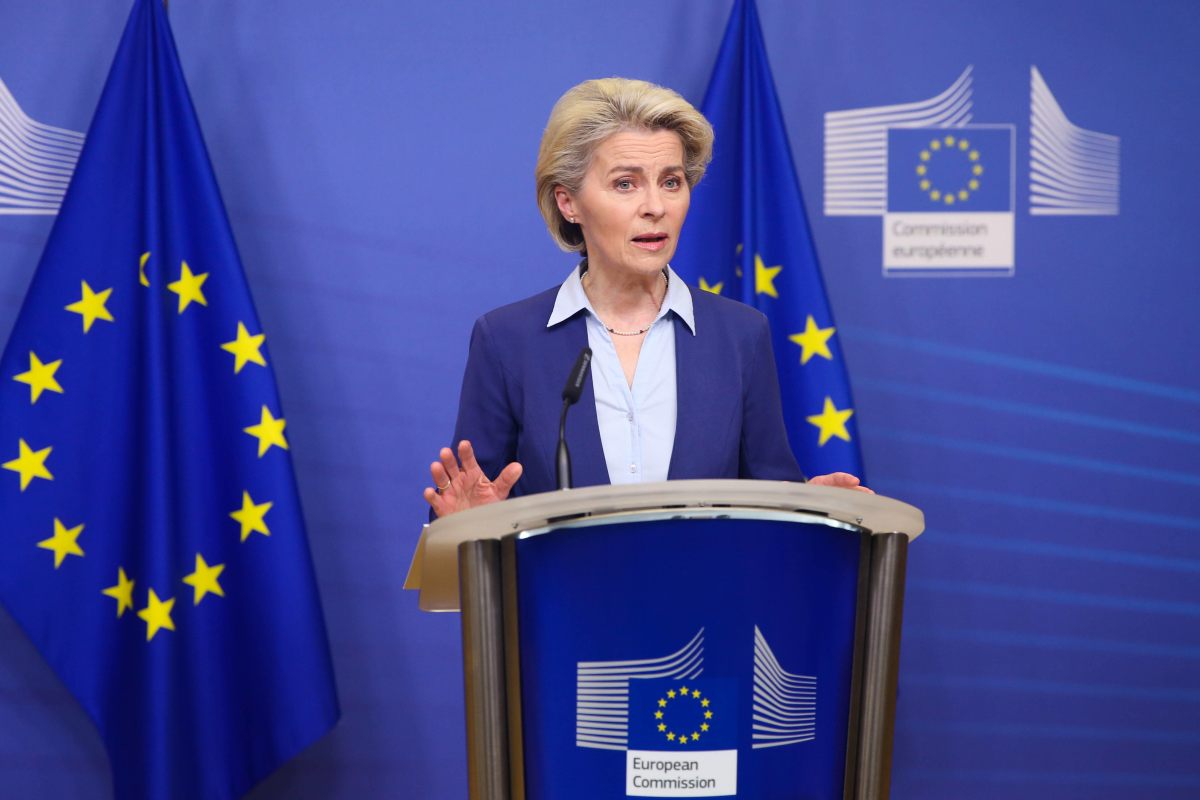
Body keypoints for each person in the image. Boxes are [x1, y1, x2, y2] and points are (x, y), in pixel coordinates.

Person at [424, 78, 868, 518]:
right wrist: (463, 523)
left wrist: (805, 506)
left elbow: (766, 495)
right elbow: (469, 500)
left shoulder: (741, 335)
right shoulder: (507, 341)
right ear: (568, 203)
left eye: (671, 182)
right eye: (625, 184)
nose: (656, 206)